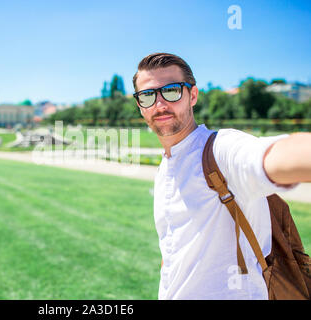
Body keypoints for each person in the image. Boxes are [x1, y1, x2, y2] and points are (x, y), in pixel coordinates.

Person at [132, 52, 311, 300]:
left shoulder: (220, 149)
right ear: (140, 105)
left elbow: (277, 155)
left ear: (192, 95)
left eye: (171, 91)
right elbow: (172, 252)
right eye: (148, 95)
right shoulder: (165, 167)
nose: (160, 104)